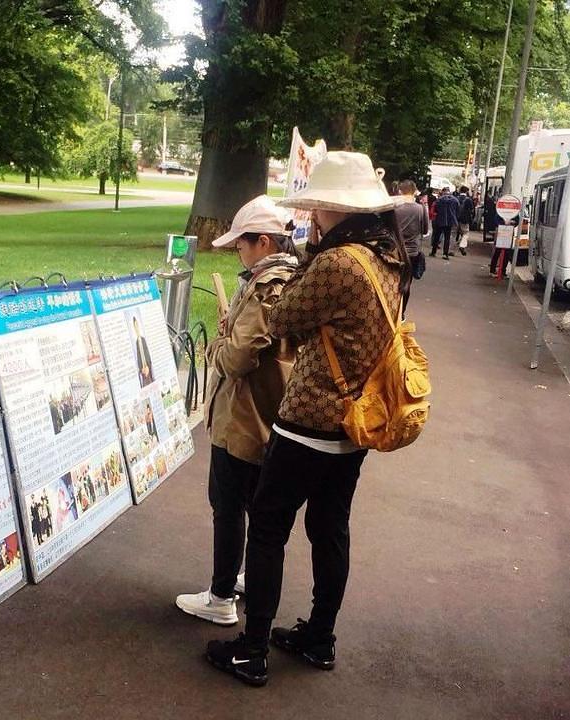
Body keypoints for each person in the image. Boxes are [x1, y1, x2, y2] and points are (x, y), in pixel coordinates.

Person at [205, 151, 411, 687]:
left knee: (269, 528)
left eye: (318, 208)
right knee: (330, 528)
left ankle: (251, 650)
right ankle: (320, 637)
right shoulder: (390, 258)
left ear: (334, 208)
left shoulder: (339, 263)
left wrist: (313, 257)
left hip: (310, 421)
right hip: (355, 423)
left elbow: (282, 317)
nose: (312, 218)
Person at [175, 194, 297, 626]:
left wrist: (216, 347)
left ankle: (221, 594)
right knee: (250, 506)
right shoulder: (291, 279)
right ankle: (233, 583)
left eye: (241, 245)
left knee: (228, 506)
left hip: (245, 415)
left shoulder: (268, 286)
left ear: (263, 242)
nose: (237, 253)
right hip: (267, 413)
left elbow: (239, 356)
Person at [394, 180, 430, 280]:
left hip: (394, 249)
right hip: (413, 250)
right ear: (414, 192)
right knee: (407, 279)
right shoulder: (421, 209)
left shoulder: (393, 208)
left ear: (400, 192)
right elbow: (425, 230)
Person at [430, 187, 460, 259]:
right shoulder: (455, 200)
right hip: (450, 221)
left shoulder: (439, 200)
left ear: (443, 192)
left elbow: (436, 210)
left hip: (440, 220)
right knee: (447, 237)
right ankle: (445, 254)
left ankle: (433, 252)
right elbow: (458, 211)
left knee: (437, 236)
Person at [131, 316, 154, 387]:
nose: (136, 328)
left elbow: (147, 354)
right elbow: (138, 357)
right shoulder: (136, 342)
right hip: (143, 370)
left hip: (148, 368)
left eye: (137, 326)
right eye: (135, 327)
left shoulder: (143, 339)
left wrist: (148, 366)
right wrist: (142, 369)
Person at [455, 185, 475, 256]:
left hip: (456, 219)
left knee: (455, 234)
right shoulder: (468, 199)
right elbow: (471, 210)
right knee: (465, 233)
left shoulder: (456, 198)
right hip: (465, 219)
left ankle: (451, 250)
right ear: (466, 191)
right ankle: (462, 246)